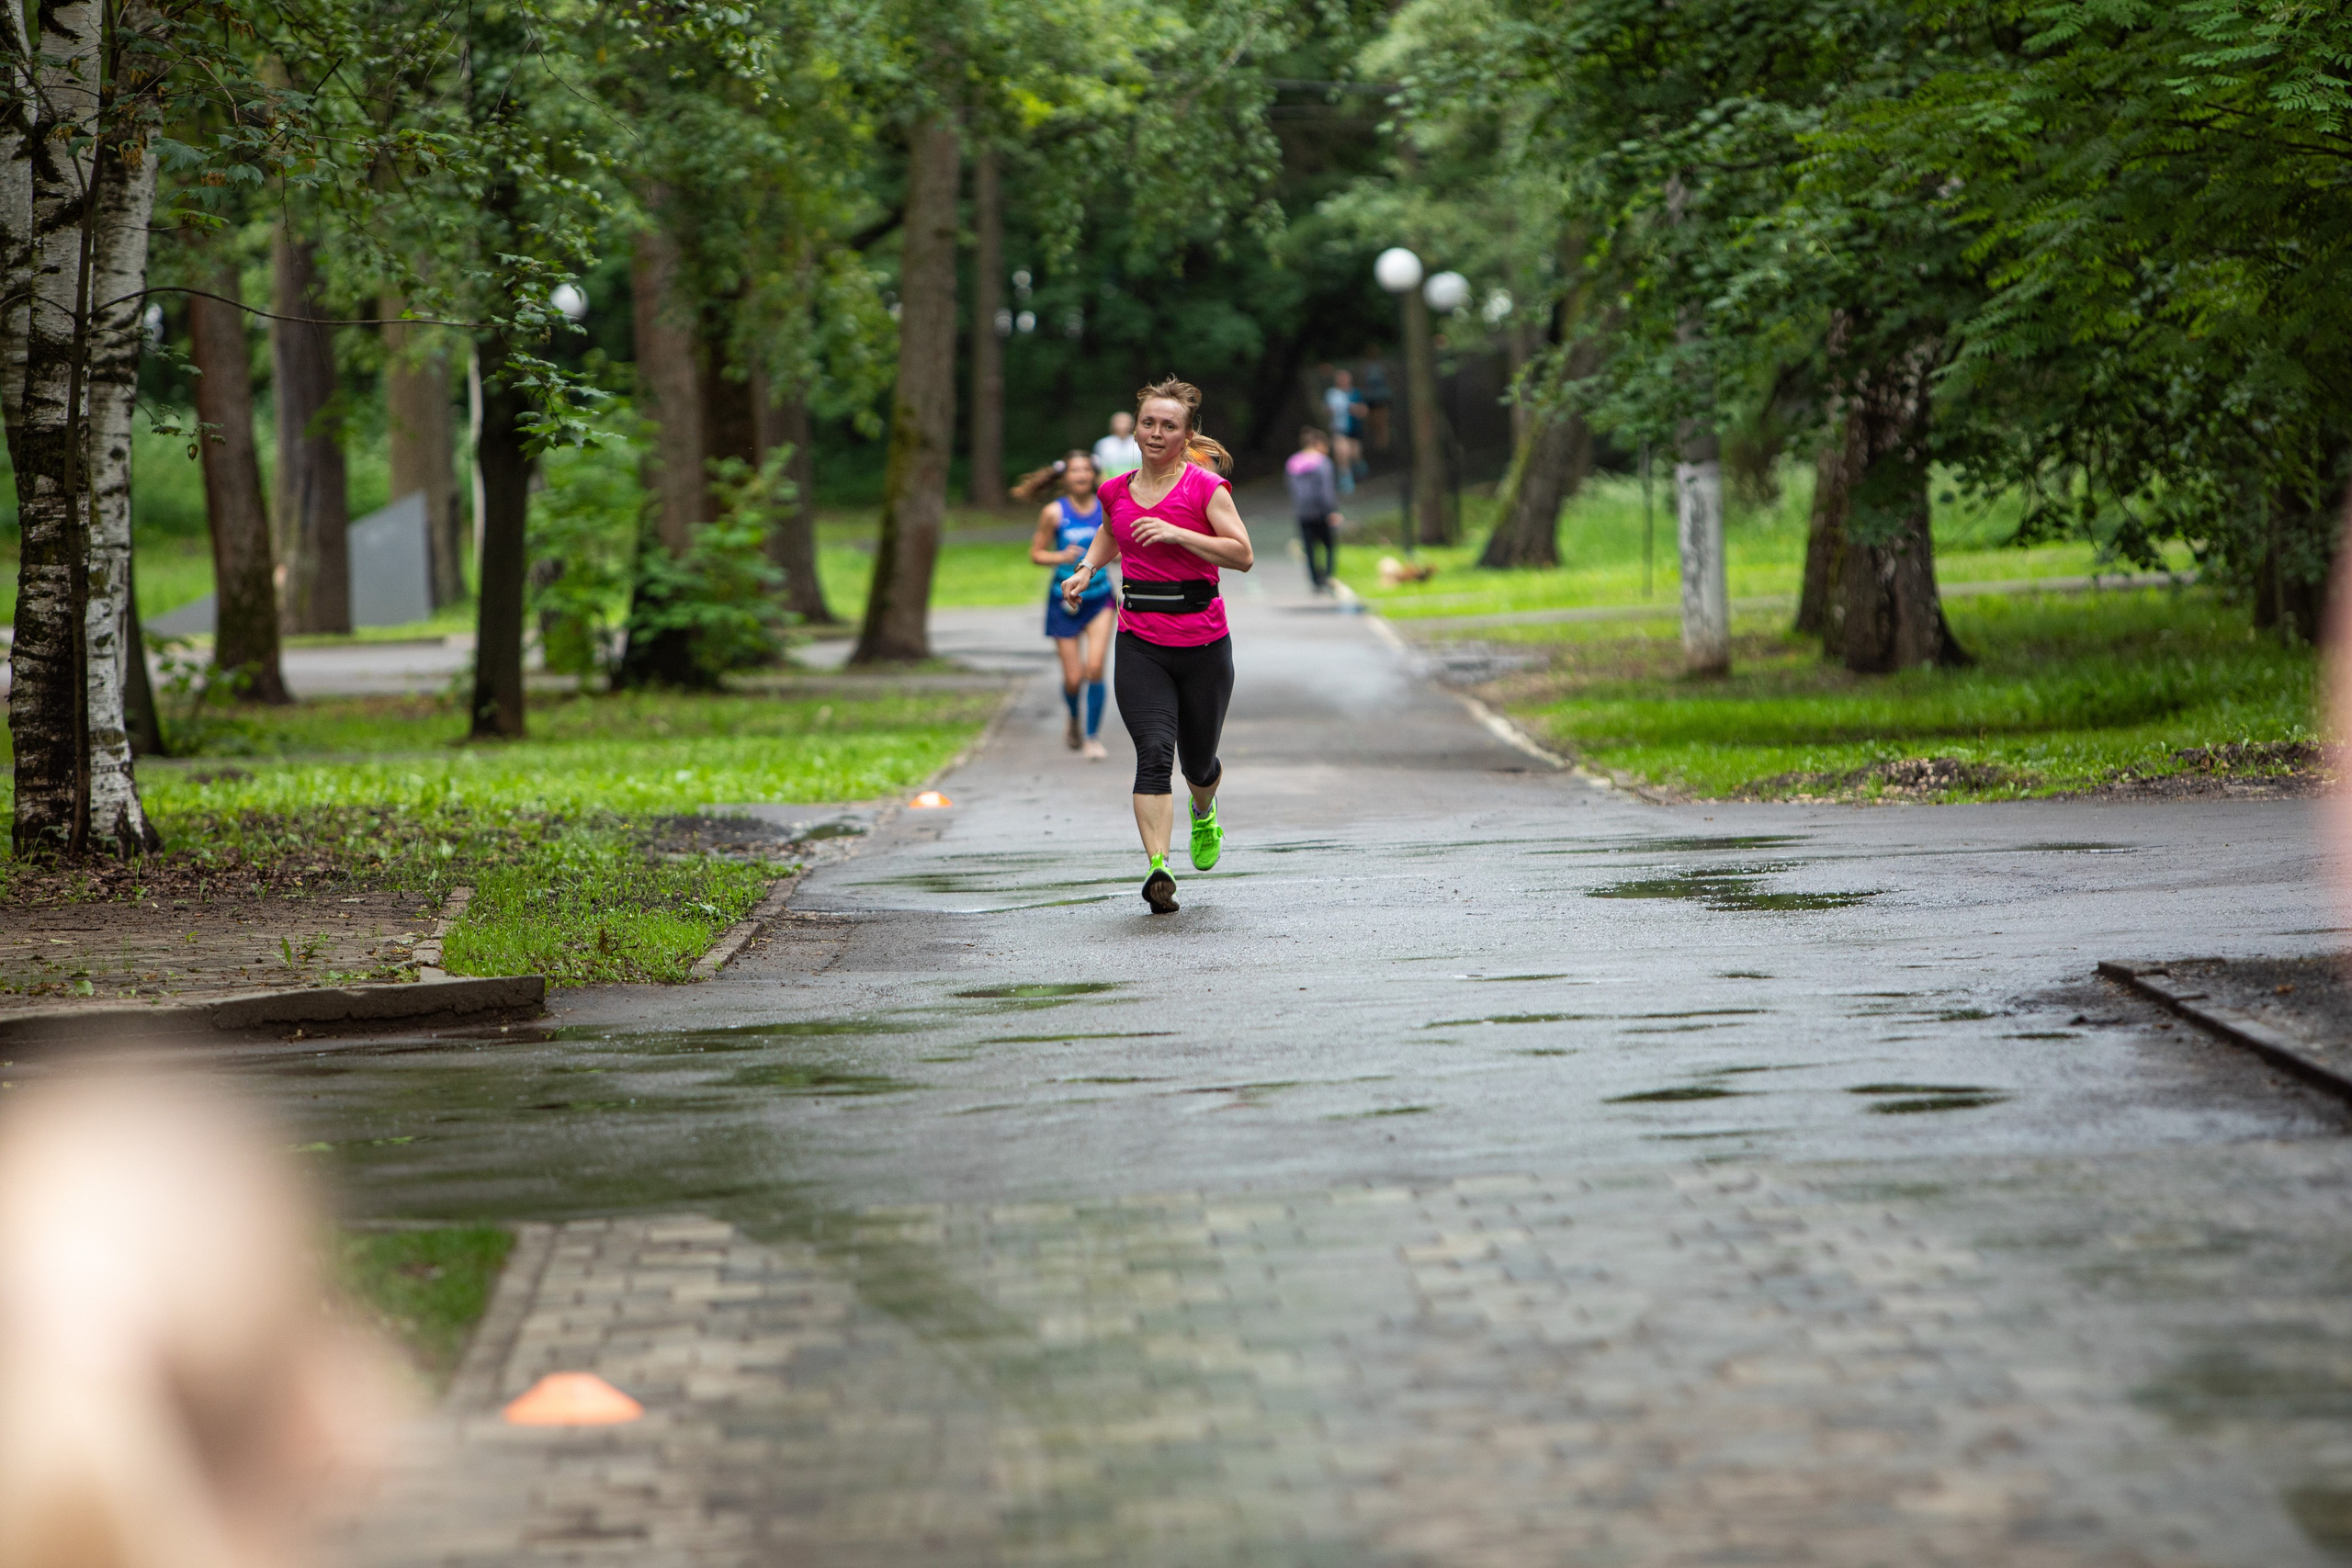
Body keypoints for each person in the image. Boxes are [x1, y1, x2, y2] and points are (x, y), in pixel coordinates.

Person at [1062, 377, 1254, 914]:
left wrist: (1178, 534)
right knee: (1152, 754)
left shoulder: (1204, 489)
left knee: (1198, 763)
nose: (1155, 432)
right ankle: (1158, 869)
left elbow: (1242, 555)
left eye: (1168, 425)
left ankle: (1204, 810)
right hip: (1140, 640)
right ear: (1136, 427)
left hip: (1203, 642)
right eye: (1148, 422)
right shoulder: (1115, 490)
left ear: (1185, 433)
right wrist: (1086, 569)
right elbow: (1110, 531)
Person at [1031, 450, 1113, 760]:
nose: (1080, 476)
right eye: (1074, 471)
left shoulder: (1106, 508)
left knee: (1095, 668)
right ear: (1065, 477)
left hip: (1099, 597)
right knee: (1073, 678)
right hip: (1062, 600)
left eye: (1085, 470)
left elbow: (1115, 544)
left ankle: (1093, 737)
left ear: (1093, 475)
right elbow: (1036, 553)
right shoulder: (1054, 512)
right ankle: (1075, 719)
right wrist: (1061, 557)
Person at [1284, 426, 1344, 593]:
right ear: (1318, 444)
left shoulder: (1293, 463)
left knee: (1309, 547)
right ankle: (1328, 575)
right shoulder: (1323, 463)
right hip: (1322, 512)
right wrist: (1331, 511)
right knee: (1329, 545)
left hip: (1303, 512)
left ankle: (1315, 581)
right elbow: (1326, 490)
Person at [1321, 368, 1363, 494]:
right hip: (1339, 430)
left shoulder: (1355, 393)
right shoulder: (1332, 394)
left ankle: (1356, 470)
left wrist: (1355, 410)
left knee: (1355, 456)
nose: (1344, 380)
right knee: (1342, 452)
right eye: (1341, 378)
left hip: (1354, 431)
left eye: (1346, 378)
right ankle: (1345, 479)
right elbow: (1326, 409)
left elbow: (1363, 411)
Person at [1091, 412, 1141, 479]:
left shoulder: (1139, 442)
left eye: (1125, 422)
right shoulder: (1103, 444)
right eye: (1119, 422)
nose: (1122, 426)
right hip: (1111, 484)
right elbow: (1099, 469)